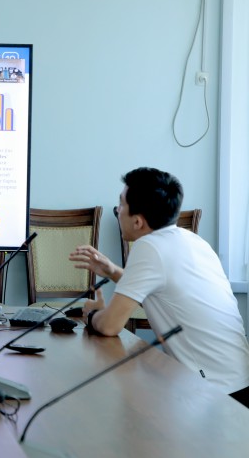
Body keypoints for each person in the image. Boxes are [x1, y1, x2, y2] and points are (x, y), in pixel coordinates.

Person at [69, 167, 249, 408]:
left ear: (137, 221)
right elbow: (163, 295)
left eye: (120, 205)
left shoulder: (149, 247)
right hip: (239, 382)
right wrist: (112, 270)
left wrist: (92, 315)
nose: (118, 211)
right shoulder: (192, 240)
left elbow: (110, 326)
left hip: (216, 395)